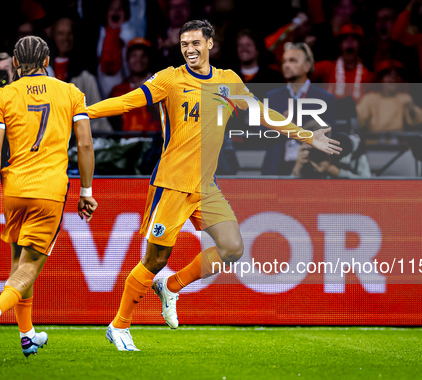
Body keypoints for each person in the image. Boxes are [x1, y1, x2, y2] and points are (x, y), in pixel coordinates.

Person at [88, 19, 341, 351]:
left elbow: (263, 113)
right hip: (172, 184)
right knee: (155, 260)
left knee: (233, 248)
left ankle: (173, 286)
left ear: (210, 44)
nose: (189, 50)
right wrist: (80, 112)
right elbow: (127, 102)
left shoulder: (228, 81)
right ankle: (119, 325)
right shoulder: (170, 78)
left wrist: (308, 135)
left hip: (206, 186)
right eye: (184, 45)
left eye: (195, 43)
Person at [0, 36, 97, 357]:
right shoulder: (71, 93)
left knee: (18, 264)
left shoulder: (3, 95)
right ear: (48, 61)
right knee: (30, 267)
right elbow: (86, 145)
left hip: (16, 188)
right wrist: (86, 191)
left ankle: (27, 335)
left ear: (17, 63)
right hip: (49, 191)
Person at [261, 42, 336, 175]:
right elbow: (259, 133)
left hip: (312, 168)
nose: (287, 65)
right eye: (284, 61)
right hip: (277, 167)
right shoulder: (272, 96)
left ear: (307, 66)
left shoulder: (325, 99)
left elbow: (331, 135)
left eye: (293, 61)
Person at [109, 37, 160, 132]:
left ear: (149, 59)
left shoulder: (161, 87)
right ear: (127, 60)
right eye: (134, 55)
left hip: (155, 144)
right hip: (126, 145)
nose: (138, 60)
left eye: (143, 55)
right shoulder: (117, 91)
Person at [313, 24, 373, 102]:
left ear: (360, 46)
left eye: (354, 39)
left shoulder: (367, 76)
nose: (349, 42)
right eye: (345, 39)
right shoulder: (326, 68)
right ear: (340, 45)